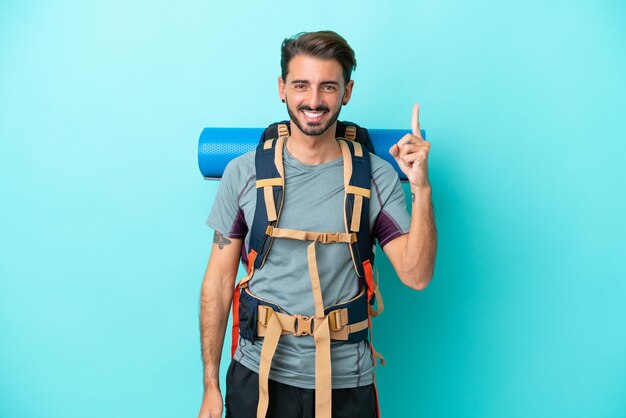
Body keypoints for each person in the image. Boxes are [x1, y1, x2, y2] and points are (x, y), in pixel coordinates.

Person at [198, 30, 437, 418]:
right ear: (282, 88)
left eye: (328, 87)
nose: (313, 100)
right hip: (256, 377)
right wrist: (210, 385)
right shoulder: (242, 174)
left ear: (347, 92)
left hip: (346, 382)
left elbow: (417, 275)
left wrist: (421, 188)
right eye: (301, 85)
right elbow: (218, 282)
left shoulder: (377, 177)